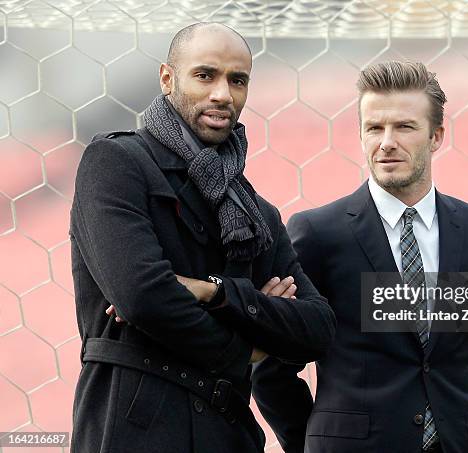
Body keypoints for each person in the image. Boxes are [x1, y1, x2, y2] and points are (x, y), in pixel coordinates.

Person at [69, 22, 335, 453]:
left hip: (228, 434)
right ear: (167, 79)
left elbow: (317, 328)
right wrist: (249, 348)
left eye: (238, 80)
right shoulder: (116, 163)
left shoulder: (256, 212)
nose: (223, 95)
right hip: (133, 430)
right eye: (205, 75)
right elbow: (143, 296)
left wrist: (215, 293)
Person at [252, 61, 468, 453]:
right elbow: (273, 366)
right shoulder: (319, 234)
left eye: (404, 127)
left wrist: (453, 430)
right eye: (374, 128)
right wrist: (317, 441)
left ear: (436, 136)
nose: (387, 141)